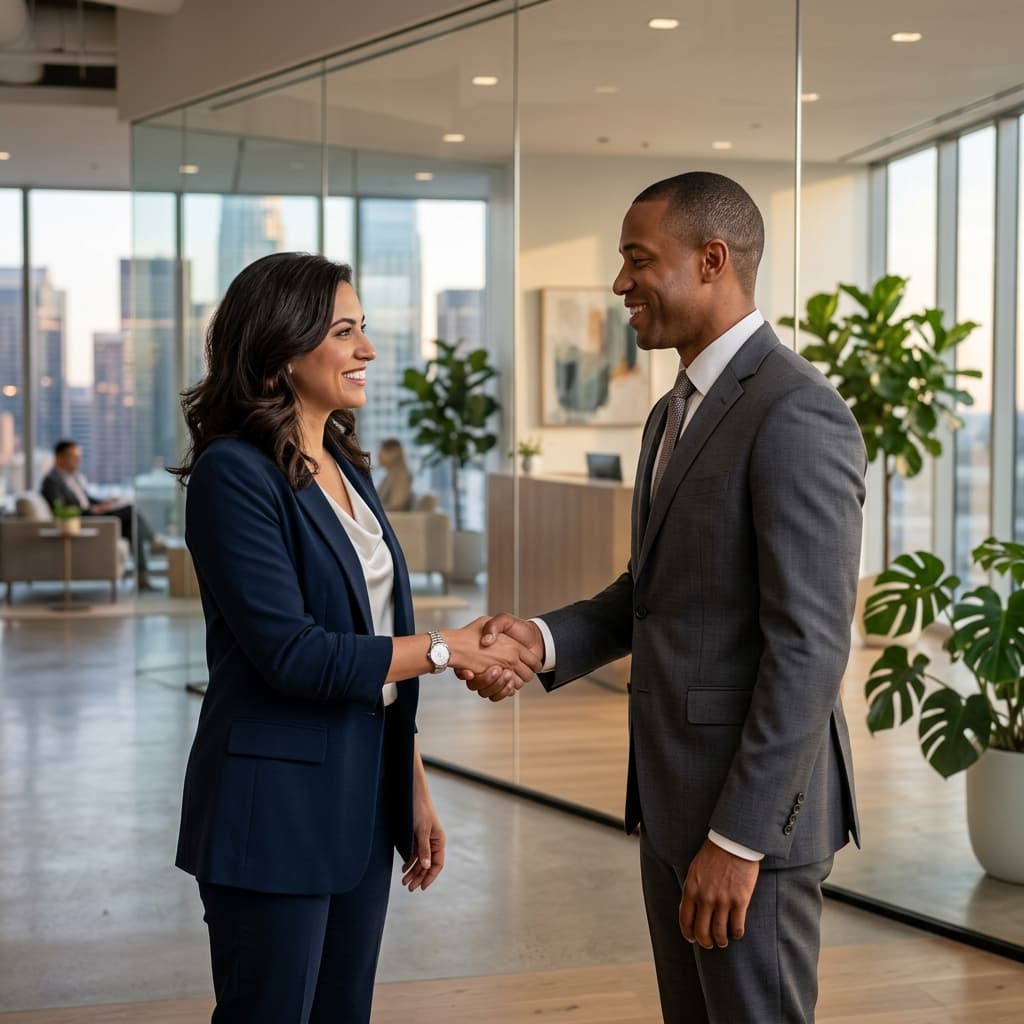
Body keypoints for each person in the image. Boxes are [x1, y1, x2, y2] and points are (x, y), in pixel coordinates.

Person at [465, 173, 866, 1023]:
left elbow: (810, 649)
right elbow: (652, 596)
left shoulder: (797, 412)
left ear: (712, 260)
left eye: (638, 259)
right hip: (673, 802)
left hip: (746, 825)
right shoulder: (671, 413)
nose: (620, 283)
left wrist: (738, 839)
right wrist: (541, 640)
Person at [171, 252, 537, 1024]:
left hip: (360, 800)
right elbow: (295, 655)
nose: (367, 348)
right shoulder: (233, 476)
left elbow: (374, 638)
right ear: (281, 348)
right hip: (273, 812)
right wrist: (448, 648)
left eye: (362, 328)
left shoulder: (343, 463)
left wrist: (413, 786)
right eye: (344, 331)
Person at [40, 439, 158, 589]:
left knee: (132, 529)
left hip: (92, 514)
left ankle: (142, 578)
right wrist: (93, 511)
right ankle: (153, 540)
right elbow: (62, 509)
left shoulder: (72, 477)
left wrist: (105, 503)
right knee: (130, 510)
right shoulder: (51, 481)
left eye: (79, 457)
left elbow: (86, 499)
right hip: (83, 522)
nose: (78, 461)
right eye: (73, 457)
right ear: (59, 458)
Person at [376, 437, 414, 511]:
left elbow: (396, 506)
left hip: (393, 517)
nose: (378, 457)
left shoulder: (401, 476)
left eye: (381, 453)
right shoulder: (390, 475)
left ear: (394, 453)